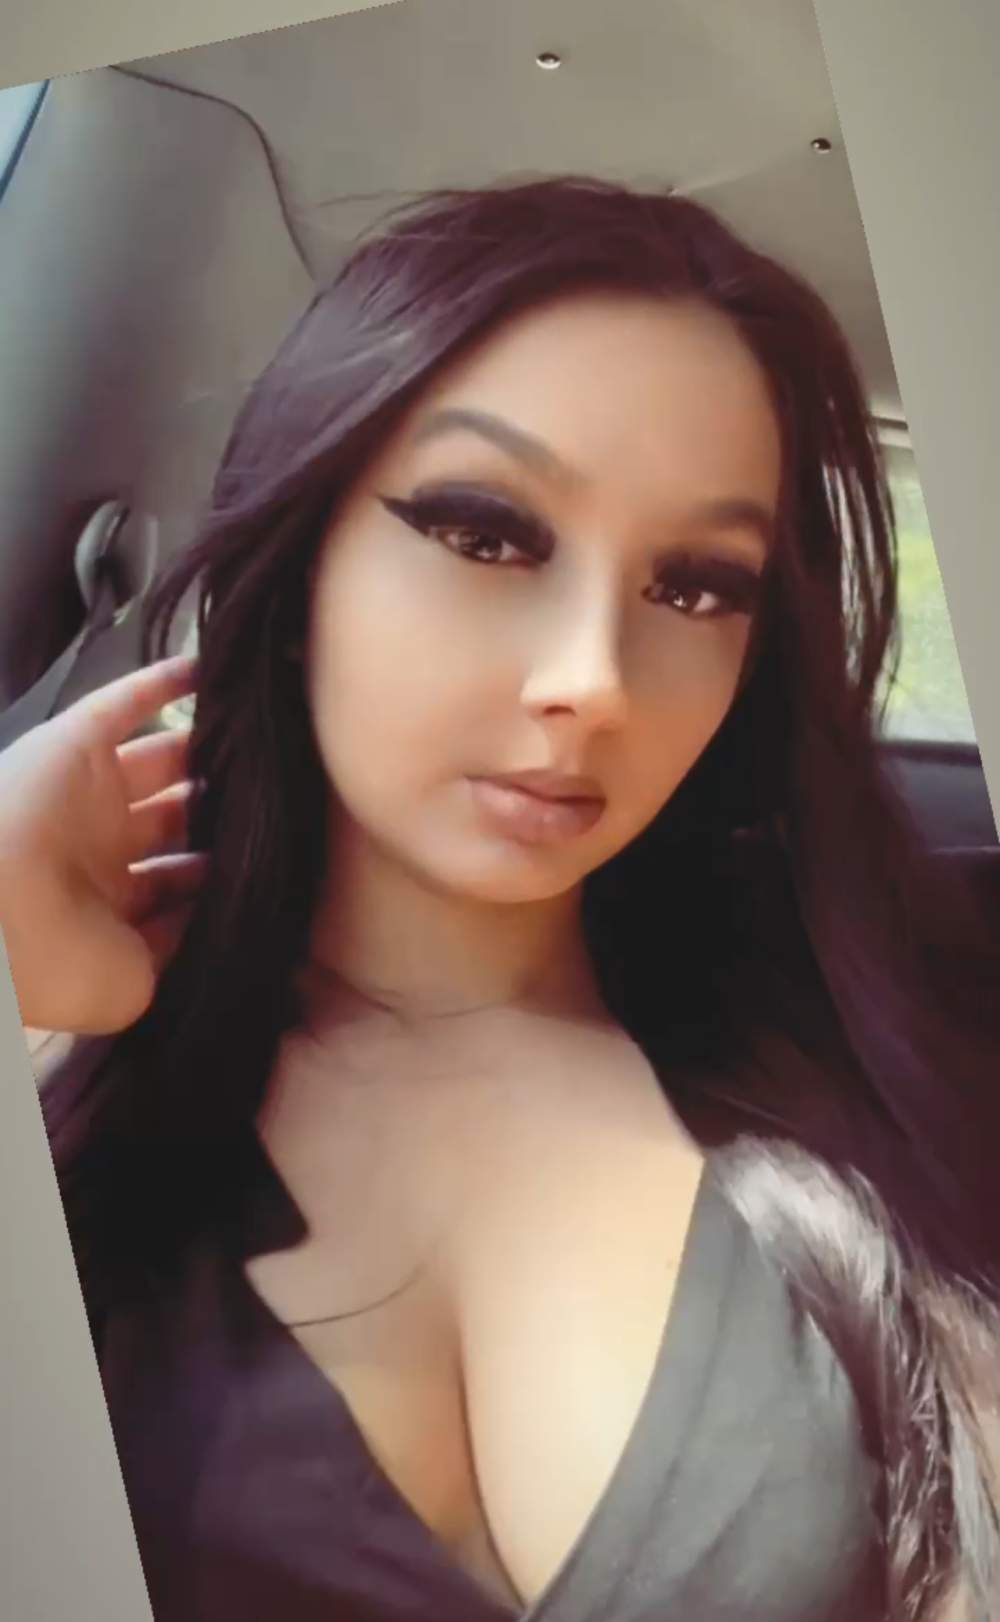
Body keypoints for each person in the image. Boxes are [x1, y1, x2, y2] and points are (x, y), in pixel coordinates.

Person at [6, 177, 1000, 1622]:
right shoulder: (67, 1073)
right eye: (485, 534)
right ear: (302, 565)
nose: (593, 679)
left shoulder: (896, 1055)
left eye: (695, 587)